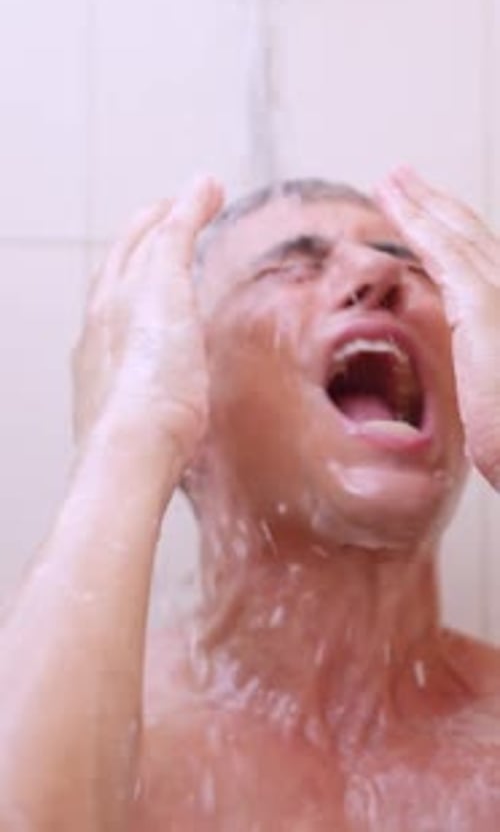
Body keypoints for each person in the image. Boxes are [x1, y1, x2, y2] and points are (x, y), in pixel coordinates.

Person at [0, 167, 499, 831]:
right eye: (292, 266)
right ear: (195, 392)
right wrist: (126, 437)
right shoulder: (109, 732)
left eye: (410, 263)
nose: (377, 277)